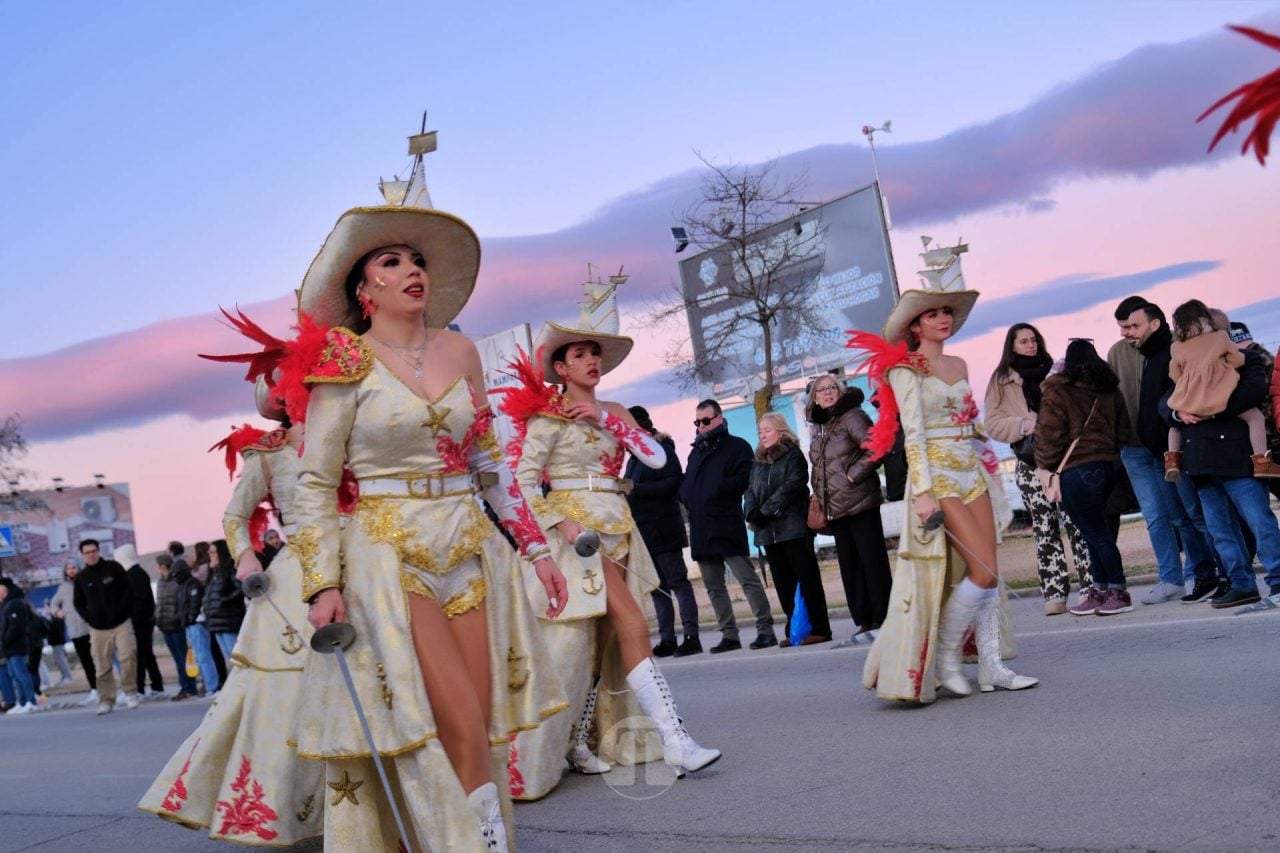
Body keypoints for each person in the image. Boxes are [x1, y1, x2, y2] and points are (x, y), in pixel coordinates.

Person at [291, 203, 569, 851]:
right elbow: (315, 481)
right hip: (388, 556)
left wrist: (538, 553)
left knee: (478, 728)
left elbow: (492, 465)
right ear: (365, 290)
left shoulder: (461, 349)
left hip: (467, 547)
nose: (411, 269)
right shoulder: (344, 358)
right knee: (460, 721)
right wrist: (319, 582)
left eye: (416, 259)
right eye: (391, 261)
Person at [503, 321, 718, 797]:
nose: (590, 361)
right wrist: (561, 523)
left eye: (594, 353)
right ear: (560, 368)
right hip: (579, 539)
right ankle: (676, 739)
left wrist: (607, 421)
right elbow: (520, 482)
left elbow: (655, 458)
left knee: (601, 641)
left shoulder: (616, 410)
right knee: (634, 624)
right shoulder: (547, 416)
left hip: (620, 527)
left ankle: (579, 743)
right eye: (578, 356)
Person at [140, 380, 325, 846]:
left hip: (364, 557)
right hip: (296, 575)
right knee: (282, 697)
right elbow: (234, 516)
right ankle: (285, 809)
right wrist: (245, 556)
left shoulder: (354, 430)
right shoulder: (269, 451)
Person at [848, 279, 1037, 702]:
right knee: (982, 569)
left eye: (946, 313)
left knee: (988, 570)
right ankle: (949, 656)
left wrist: (1001, 438)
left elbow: (971, 424)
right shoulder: (905, 370)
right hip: (938, 477)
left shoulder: (961, 365)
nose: (942, 319)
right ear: (915, 326)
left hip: (973, 473)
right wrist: (924, 492)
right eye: (932, 314)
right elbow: (912, 435)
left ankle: (992, 667)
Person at [1107, 297, 1221, 604]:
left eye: (1132, 325)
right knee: (1157, 517)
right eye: (1122, 327)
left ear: (1154, 323)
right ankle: (1171, 579)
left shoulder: (1175, 346)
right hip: (1134, 446)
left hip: (1169, 444)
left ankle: (1208, 573)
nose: (1126, 332)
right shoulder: (1116, 353)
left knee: (1187, 514)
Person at [1160, 326, 1280, 610]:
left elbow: (1252, 392)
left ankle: (1278, 579)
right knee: (1220, 529)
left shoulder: (1244, 357)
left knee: (1259, 521)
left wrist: (1206, 406)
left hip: (1237, 458)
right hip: (1201, 461)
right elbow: (1164, 402)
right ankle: (1242, 585)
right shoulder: (1184, 363)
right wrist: (1177, 411)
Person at [984, 323, 1094, 615]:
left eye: (1034, 340)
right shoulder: (1001, 381)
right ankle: (1054, 593)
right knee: (1045, 529)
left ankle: (1090, 587)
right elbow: (992, 423)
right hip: (1030, 461)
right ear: (1012, 346)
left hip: (1064, 458)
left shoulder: (1056, 371)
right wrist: (1022, 424)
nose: (1031, 345)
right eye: (1024, 341)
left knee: (1077, 524)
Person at [1034, 340, 1133, 616]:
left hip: (1076, 470)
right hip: (1108, 466)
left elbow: (1048, 435)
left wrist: (1045, 464)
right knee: (1095, 533)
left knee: (1096, 535)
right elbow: (1123, 431)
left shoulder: (1059, 390)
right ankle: (1100, 590)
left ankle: (1118, 591)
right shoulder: (1109, 388)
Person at [680, 399, 778, 653]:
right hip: (702, 527)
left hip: (725, 522)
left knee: (747, 578)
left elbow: (745, 478)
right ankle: (729, 635)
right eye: (697, 421)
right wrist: (687, 496)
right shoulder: (696, 452)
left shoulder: (737, 447)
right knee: (713, 586)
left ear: (719, 419)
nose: (701, 426)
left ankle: (765, 629)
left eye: (705, 420)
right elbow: (688, 484)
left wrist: (717, 490)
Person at [806, 375, 892, 638]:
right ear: (814, 398)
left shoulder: (852, 416)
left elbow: (876, 448)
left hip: (860, 501)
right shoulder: (820, 427)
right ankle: (865, 619)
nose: (828, 393)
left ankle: (884, 616)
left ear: (840, 391)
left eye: (832, 387)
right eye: (821, 390)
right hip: (836, 508)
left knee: (872, 561)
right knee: (850, 566)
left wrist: (852, 476)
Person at [1164, 300, 1279, 481]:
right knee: (1255, 417)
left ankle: (1172, 460)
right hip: (1218, 396)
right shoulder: (1220, 339)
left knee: (1176, 424)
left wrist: (1187, 384)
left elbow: (1174, 373)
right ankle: (1262, 462)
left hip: (1190, 399)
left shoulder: (1176, 347)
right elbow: (1236, 360)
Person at [746, 412, 832, 646]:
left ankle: (820, 628)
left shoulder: (793, 455)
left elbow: (792, 485)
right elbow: (750, 490)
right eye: (760, 431)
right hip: (768, 533)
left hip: (792, 528)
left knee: (807, 579)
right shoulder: (758, 461)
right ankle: (795, 628)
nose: (763, 434)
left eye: (767, 429)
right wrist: (751, 510)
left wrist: (765, 512)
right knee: (783, 584)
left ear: (780, 430)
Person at [625, 405, 701, 657]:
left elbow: (672, 482)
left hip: (664, 527)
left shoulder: (662, 449)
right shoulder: (634, 457)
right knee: (657, 587)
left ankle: (691, 636)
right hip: (644, 531)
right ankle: (667, 637)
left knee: (678, 581)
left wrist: (637, 489)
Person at [72, 539, 139, 715]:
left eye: (94, 551)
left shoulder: (113, 568)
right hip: (98, 628)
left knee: (128, 655)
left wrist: (124, 611)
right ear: (82, 555)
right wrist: (90, 619)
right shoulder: (81, 578)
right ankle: (107, 699)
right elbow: (78, 603)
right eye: (87, 552)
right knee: (102, 665)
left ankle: (131, 692)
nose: (91, 554)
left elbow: (128, 590)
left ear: (98, 551)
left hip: (121, 623)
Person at [115, 543, 164, 697]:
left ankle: (139, 688)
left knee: (140, 655)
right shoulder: (135, 573)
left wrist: (131, 618)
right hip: (143, 621)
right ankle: (156, 686)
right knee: (146, 654)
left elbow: (139, 601)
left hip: (140, 622)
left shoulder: (135, 575)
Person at [50, 560, 98, 705]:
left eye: (73, 568)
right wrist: (57, 612)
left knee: (99, 659)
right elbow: (53, 604)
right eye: (68, 568)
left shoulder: (86, 581)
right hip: (75, 630)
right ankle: (94, 690)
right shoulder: (63, 588)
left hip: (91, 627)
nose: (71, 571)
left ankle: (108, 688)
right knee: (86, 661)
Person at [154, 553, 198, 701]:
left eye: (158, 565)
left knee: (182, 659)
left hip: (176, 625)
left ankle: (189, 688)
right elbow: (160, 604)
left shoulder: (175, 582)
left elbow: (179, 603)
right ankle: (184, 687)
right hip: (165, 626)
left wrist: (178, 618)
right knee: (177, 659)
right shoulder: (160, 582)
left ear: (163, 566)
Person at [180, 551, 218, 696]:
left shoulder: (192, 583)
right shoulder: (185, 584)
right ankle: (208, 685)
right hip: (191, 624)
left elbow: (195, 602)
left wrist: (190, 617)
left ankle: (212, 686)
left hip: (197, 622)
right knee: (199, 657)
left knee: (204, 656)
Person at [203, 539, 245, 662]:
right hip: (216, 622)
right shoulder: (214, 573)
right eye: (210, 553)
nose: (211, 556)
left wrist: (223, 601)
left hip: (229, 621)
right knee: (229, 658)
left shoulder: (230, 569)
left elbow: (240, 589)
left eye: (213, 552)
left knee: (236, 660)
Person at [1, 578, 38, 714]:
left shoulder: (15, 603)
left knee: (22, 674)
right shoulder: (6, 604)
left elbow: (16, 627)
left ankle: (31, 701)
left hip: (17, 646)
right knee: (15, 676)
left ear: (5, 590)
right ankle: (22, 702)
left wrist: (4, 640)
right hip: (8, 648)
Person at [43, 602, 73, 685]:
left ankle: (67, 676)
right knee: (58, 660)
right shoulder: (52, 618)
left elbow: (57, 631)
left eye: (47, 608)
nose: (45, 610)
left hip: (58, 643)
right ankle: (64, 676)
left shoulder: (56, 618)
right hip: (55, 643)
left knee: (60, 660)